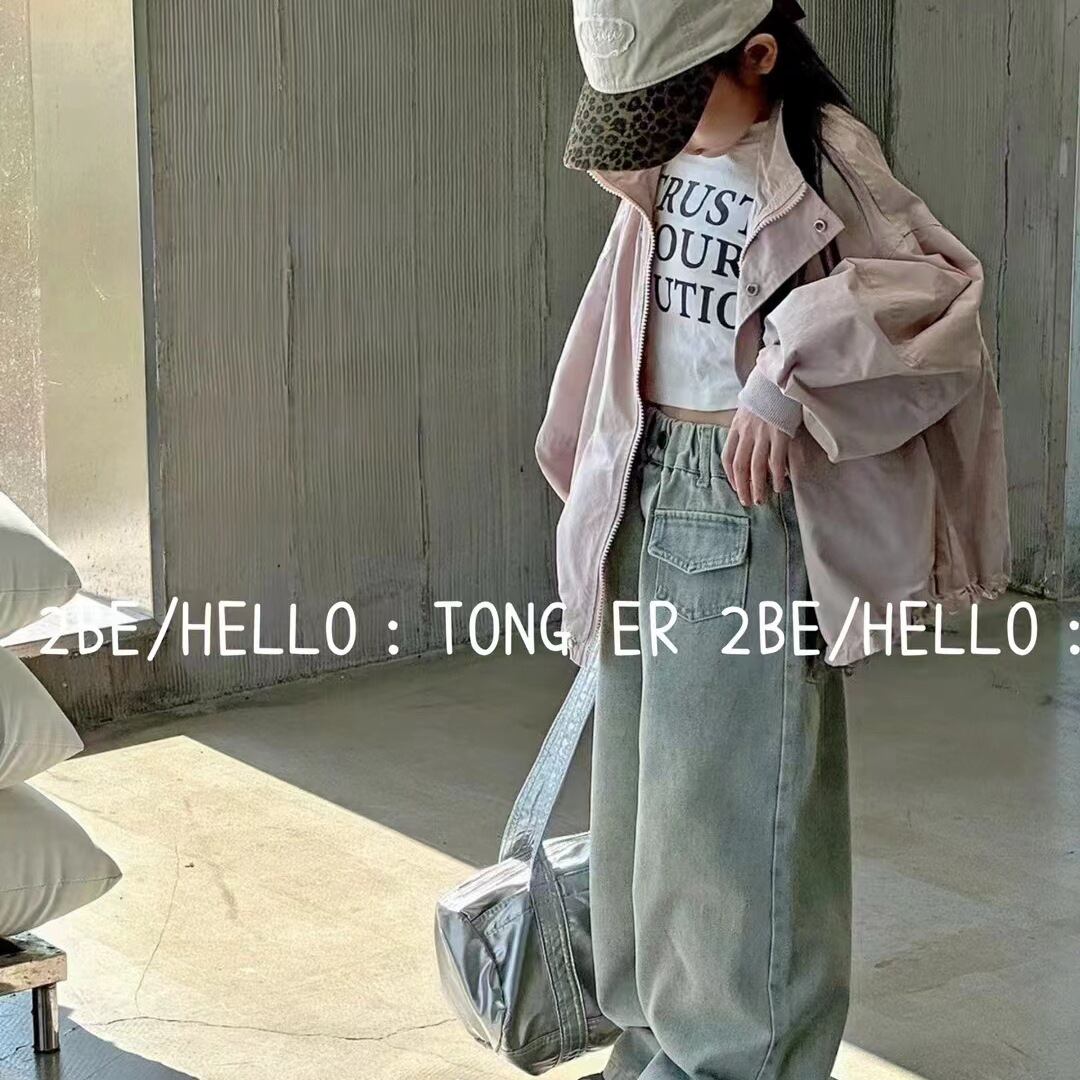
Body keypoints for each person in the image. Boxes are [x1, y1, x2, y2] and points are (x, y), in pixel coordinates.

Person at [534, 2, 1011, 1078]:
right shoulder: (668, 155)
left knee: (733, 813)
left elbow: (938, 301)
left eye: (674, 104)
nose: (659, 132)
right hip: (646, 480)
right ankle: (651, 1050)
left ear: (758, 57)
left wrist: (784, 372)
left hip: (746, 504)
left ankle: (735, 1065)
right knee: (644, 806)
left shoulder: (821, 149)